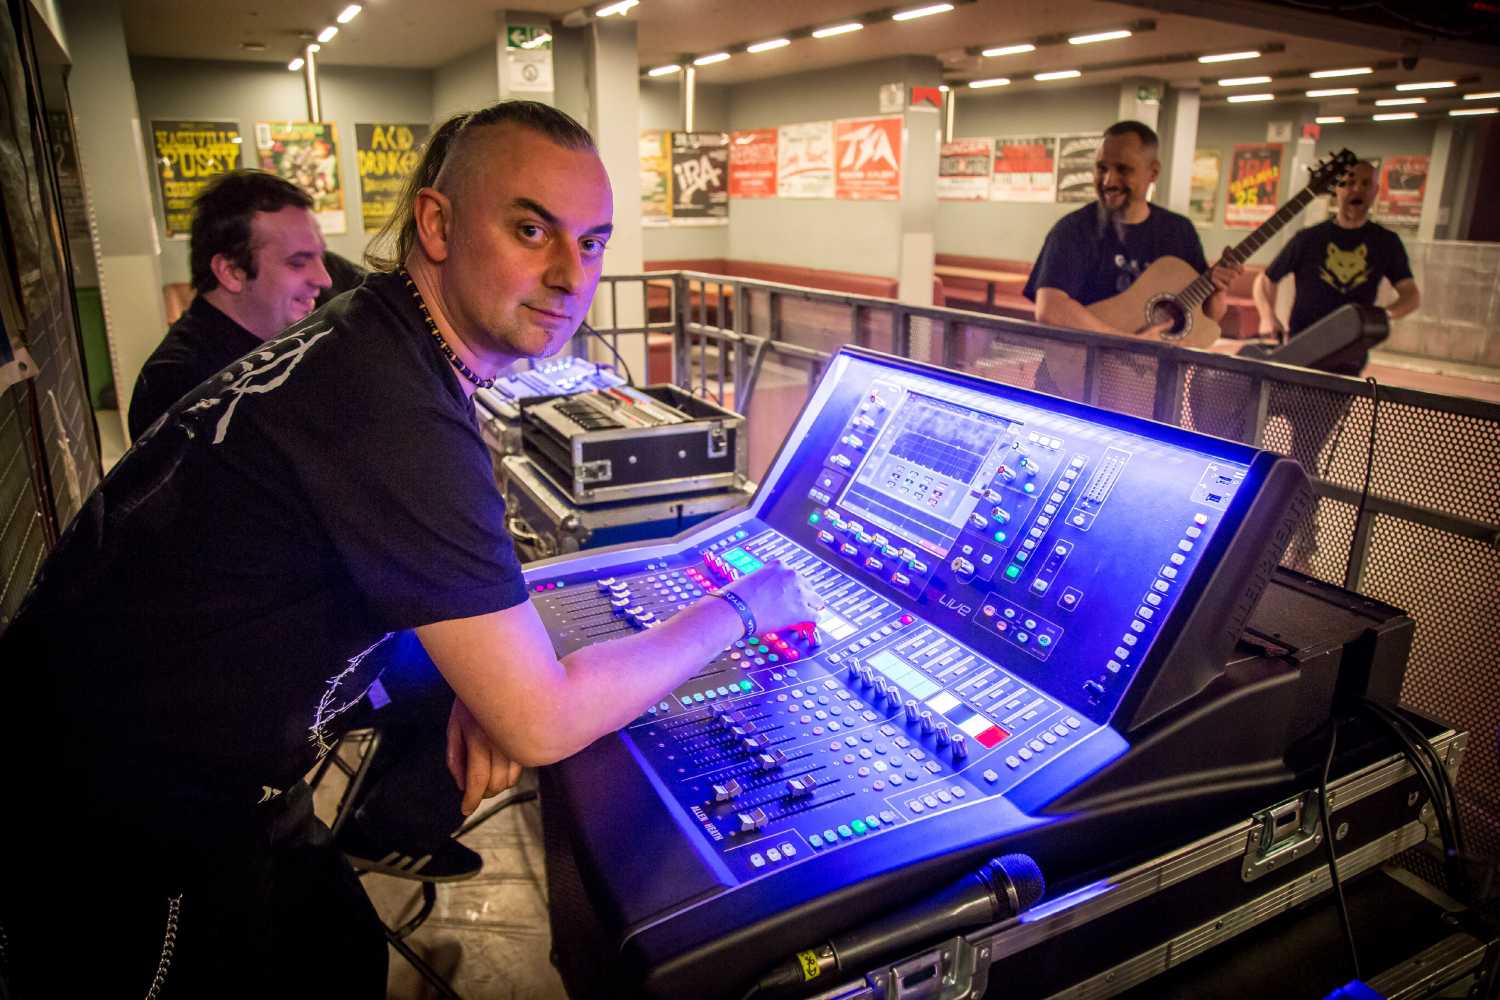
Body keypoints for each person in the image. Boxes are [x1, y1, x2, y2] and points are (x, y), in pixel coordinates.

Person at [0, 101, 817, 997]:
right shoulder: (391, 406)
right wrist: (742, 608)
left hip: (215, 783)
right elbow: (541, 721)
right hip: (118, 820)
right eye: (530, 228)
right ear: (436, 223)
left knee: (341, 958)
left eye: (591, 242)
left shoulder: (377, 336)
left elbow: (435, 631)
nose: (568, 273)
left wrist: (482, 677)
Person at [128, 170, 333, 439]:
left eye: (320, 258)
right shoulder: (178, 384)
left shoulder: (281, 341)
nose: (324, 279)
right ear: (231, 272)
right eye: (297, 262)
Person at [1252, 159, 1421, 377]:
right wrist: (1268, 317)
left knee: (1329, 410)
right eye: (1349, 182)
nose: (1356, 189)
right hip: (1301, 347)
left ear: (1376, 191)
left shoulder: (1386, 242)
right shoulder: (1309, 238)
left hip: (1349, 351)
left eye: (1365, 183)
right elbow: (1265, 280)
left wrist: (1382, 315)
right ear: (1337, 189)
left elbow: (1411, 295)